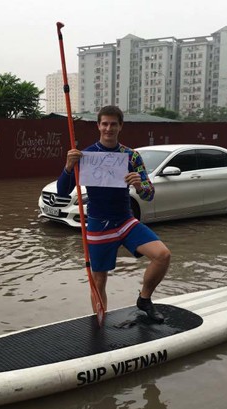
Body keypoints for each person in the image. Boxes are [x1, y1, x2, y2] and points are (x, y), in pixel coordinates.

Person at [57, 105, 170, 322]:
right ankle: (100, 323)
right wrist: (68, 167)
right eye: (105, 124)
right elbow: (63, 192)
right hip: (99, 225)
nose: (109, 128)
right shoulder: (85, 156)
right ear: (98, 126)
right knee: (99, 280)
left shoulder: (131, 156)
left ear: (120, 127)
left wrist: (139, 185)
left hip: (126, 221)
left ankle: (144, 299)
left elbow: (149, 195)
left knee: (162, 255)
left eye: (113, 124)